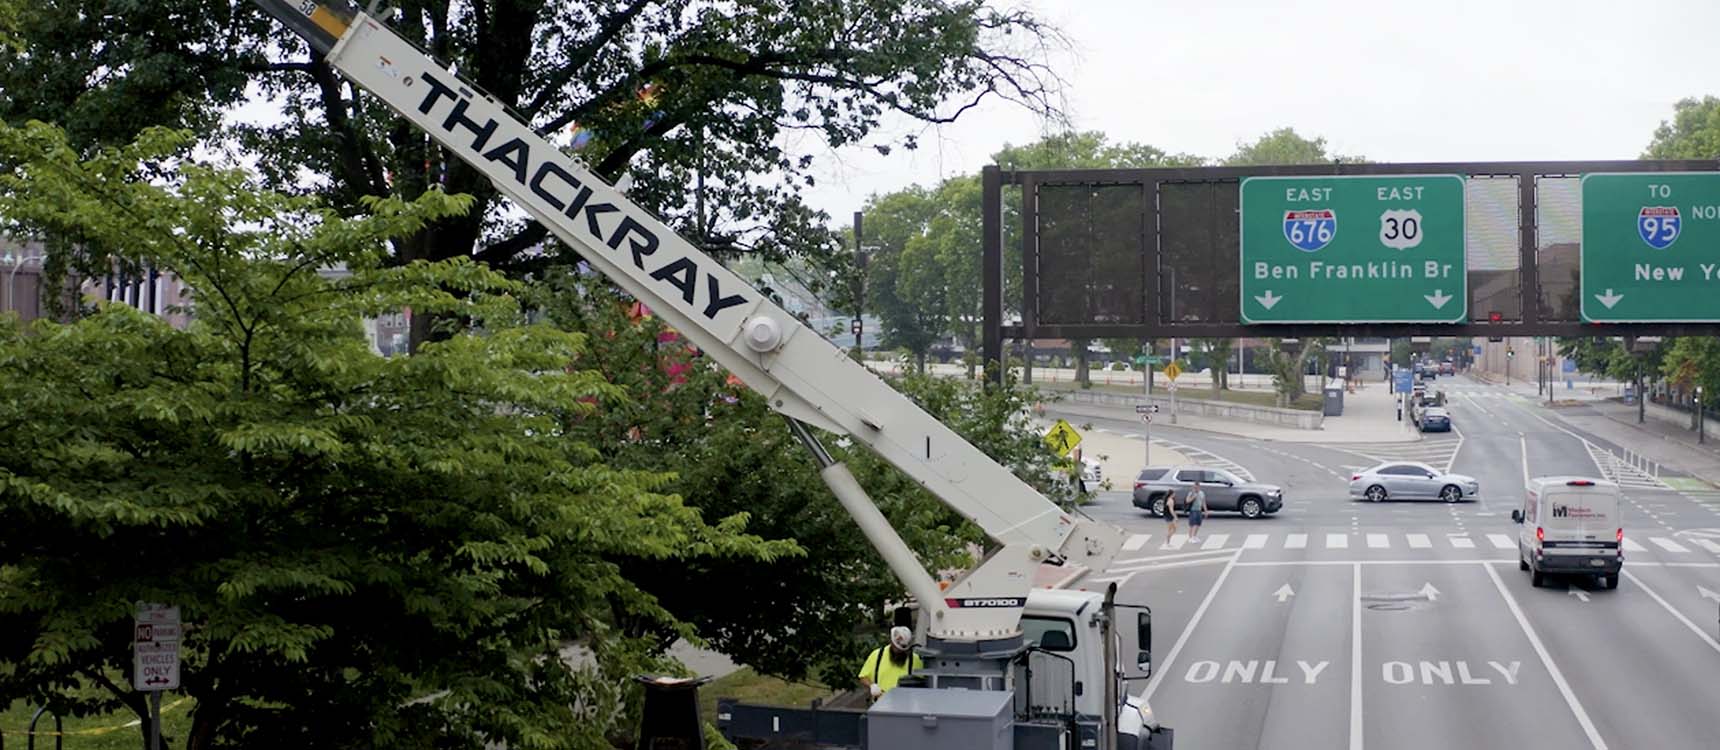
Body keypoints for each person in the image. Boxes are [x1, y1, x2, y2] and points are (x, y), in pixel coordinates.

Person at [858, 626, 923, 700]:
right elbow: (863, 676)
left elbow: (923, 683)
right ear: (891, 642)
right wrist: (872, 686)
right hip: (880, 704)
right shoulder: (877, 655)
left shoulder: (915, 659)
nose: (898, 652)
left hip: (905, 705)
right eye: (896, 649)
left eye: (902, 650)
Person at [1185, 479, 1208, 543]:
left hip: (1199, 510)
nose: (1195, 488)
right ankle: (1190, 537)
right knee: (1192, 524)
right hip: (1193, 510)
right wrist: (1193, 497)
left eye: (1196, 487)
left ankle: (1194, 536)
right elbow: (1187, 501)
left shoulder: (1202, 493)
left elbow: (1203, 502)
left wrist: (1206, 510)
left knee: (1198, 524)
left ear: (1199, 487)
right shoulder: (1191, 493)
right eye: (1194, 487)